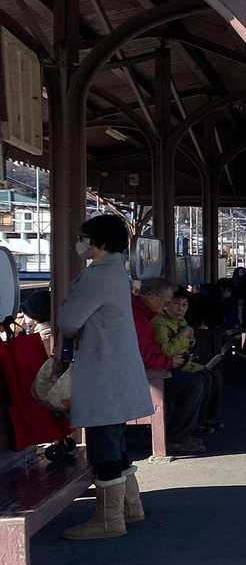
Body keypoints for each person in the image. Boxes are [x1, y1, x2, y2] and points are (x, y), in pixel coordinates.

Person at [56, 214, 155, 540]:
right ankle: (130, 507)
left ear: (99, 243)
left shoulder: (97, 276)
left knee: (103, 442)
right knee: (115, 438)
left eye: (83, 238)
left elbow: (69, 321)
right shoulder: (116, 273)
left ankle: (109, 521)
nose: (79, 243)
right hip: (117, 367)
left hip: (102, 369)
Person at [135, 278, 209, 455]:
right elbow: (147, 354)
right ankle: (176, 437)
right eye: (167, 302)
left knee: (203, 377)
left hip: (156, 368)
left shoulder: (148, 315)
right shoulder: (145, 320)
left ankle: (192, 428)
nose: (167, 305)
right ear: (152, 298)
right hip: (145, 375)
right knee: (193, 384)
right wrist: (169, 362)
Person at [152, 289, 222, 434]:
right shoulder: (159, 324)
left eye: (184, 305)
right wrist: (183, 334)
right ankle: (180, 430)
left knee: (213, 376)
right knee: (198, 382)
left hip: (184, 363)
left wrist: (191, 340)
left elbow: (187, 343)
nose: (181, 308)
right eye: (176, 304)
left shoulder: (181, 321)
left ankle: (202, 419)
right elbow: (167, 351)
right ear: (166, 305)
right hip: (166, 369)